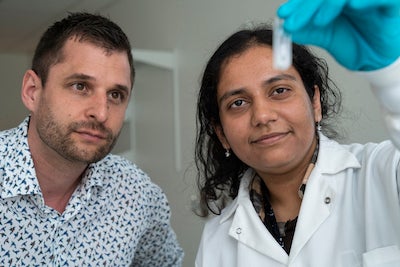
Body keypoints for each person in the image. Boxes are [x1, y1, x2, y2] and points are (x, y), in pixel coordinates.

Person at [194, 0, 400, 266]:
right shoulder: (216, 241)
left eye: (279, 90)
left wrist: (392, 77)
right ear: (221, 133)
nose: (263, 116)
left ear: (315, 103)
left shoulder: (384, 174)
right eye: (238, 103)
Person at [0, 12, 183, 266]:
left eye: (116, 94)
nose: (101, 112)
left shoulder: (137, 195)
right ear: (33, 92)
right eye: (80, 86)